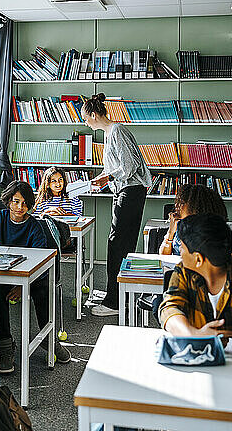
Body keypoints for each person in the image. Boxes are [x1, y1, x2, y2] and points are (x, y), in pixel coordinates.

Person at [0, 180, 71, 373]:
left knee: (42, 293)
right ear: (8, 202)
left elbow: (41, 263)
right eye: (15, 202)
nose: (19, 207)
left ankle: (49, 341)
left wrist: (22, 287)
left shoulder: (34, 226)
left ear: (29, 205)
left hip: (34, 278)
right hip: (9, 273)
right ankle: (6, 347)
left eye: (24, 203)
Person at [81, 93, 152, 316]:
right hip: (124, 192)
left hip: (130, 192)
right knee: (121, 245)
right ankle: (119, 294)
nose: (85, 123)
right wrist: (102, 178)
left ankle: (113, 303)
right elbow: (116, 167)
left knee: (117, 245)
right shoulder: (110, 134)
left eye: (85, 118)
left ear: (93, 114)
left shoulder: (117, 131)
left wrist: (108, 178)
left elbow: (128, 167)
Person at [159, 213, 232, 352]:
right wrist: (193, 335)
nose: (180, 251)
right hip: (196, 362)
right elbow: (169, 309)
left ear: (198, 259)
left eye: (182, 247)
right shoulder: (183, 273)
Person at [159, 184, 232, 259]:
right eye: (177, 203)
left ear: (195, 207)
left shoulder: (205, 230)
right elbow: (163, 255)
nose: (176, 206)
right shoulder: (178, 226)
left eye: (182, 203)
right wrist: (170, 233)